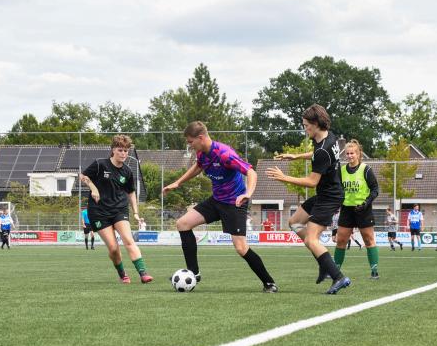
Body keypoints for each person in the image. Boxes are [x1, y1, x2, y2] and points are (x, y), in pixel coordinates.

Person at [162, 121, 278, 293]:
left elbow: (251, 172)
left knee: (241, 248)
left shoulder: (225, 154)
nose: (189, 145)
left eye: (190, 142)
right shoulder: (202, 153)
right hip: (216, 201)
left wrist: (248, 193)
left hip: (234, 203)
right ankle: (194, 273)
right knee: (183, 224)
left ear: (200, 138)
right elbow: (199, 167)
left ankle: (269, 283)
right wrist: (178, 183)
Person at [267, 104, 350, 294]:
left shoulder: (323, 149)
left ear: (315, 123)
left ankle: (338, 277)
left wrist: (283, 177)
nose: (305, 129)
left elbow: (312, 181)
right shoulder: (329, 137)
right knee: (294, 222)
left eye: (306, 125)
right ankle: (324, 263)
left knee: (312, 240)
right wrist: (295, 156)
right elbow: (317, 153)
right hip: (326, 193)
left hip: (329, 197)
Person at [79, 134, 153, 284]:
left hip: (119, 209)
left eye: (126, 151)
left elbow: (131, 192)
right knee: (113, 248)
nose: (124, 154)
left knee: (128, 240)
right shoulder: (100, 164)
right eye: (120, 150)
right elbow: (83, 176)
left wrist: (136, 213)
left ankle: (143, 273)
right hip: (99, 212)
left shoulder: (127, 172)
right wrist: (93, 188)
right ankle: (122, 273)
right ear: (113, 150)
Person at [331, 139, 380, 279]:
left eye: (352, 153)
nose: (350, 155)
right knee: (341, 240)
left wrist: (366, 203)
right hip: (347, 209)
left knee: (368, 239)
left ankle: (374, 271)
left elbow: (375, 189)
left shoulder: (366, 169)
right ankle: (335, 271)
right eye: (347, 153)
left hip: (363, 209)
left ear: (358, 154)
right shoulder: (341, 171)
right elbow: (338, 190)